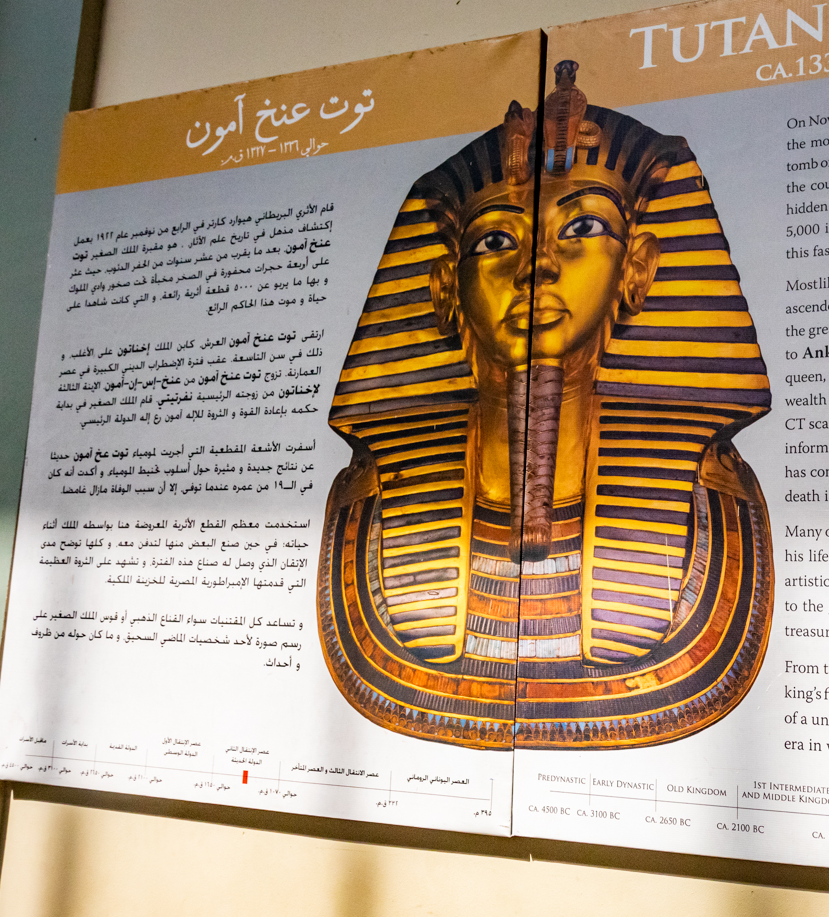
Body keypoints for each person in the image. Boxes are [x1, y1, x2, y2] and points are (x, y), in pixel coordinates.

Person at [318, 61, 774, 749]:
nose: (538, 266)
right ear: (444, 285)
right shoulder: (366, 513)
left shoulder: (716, 511)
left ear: (639, 269)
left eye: (582, 227)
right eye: (496, 240)